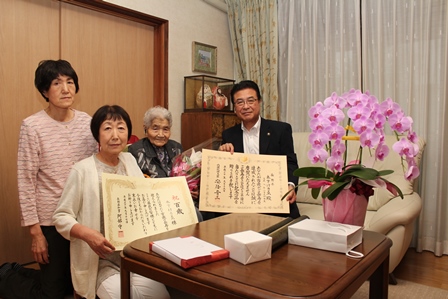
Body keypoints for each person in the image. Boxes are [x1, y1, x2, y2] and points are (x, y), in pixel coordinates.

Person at [0, 60, 98, 299]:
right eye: (57, 83)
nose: (66, 89)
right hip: (50, 220)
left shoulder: (87, 122)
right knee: (52, 293)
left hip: (81, 218)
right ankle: (6, 274)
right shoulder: (32, 126)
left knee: (76, 283)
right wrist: (36, 233)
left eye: (70, 82)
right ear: (44, 91)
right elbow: (26, 180)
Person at [52, 105, 170, 299]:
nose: (115, 135)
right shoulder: (82, 170)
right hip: (98, 261)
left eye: (121, 128)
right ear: (97, 134)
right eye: (107, 128)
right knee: (122, 295)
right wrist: (89, 234)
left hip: (132, 255)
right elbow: (61, 216)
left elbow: (143, 200)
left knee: (159, 295)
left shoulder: (130, 160)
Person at [219, 80, 300, 219]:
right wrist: (222, 155)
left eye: (250, 101)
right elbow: (226, 174)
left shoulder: (280, 130)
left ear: (259, 102)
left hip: (273, 199)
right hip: (241, 203)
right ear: (234, 108)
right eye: (239, 102)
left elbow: (291, 163)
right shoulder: (229, 135)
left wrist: (290, 185)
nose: (245, 106)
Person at [128, 106, 206, 221]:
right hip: (154, 204)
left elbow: (187, 175)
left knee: (205, 209)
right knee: (195, 215)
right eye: (155, 128)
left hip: (178, 200)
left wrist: (193, 189)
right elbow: (137, 186)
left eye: (165, 129)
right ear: (146, 129)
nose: (161, 134)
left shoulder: (176, 148)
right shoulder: (136, 151)